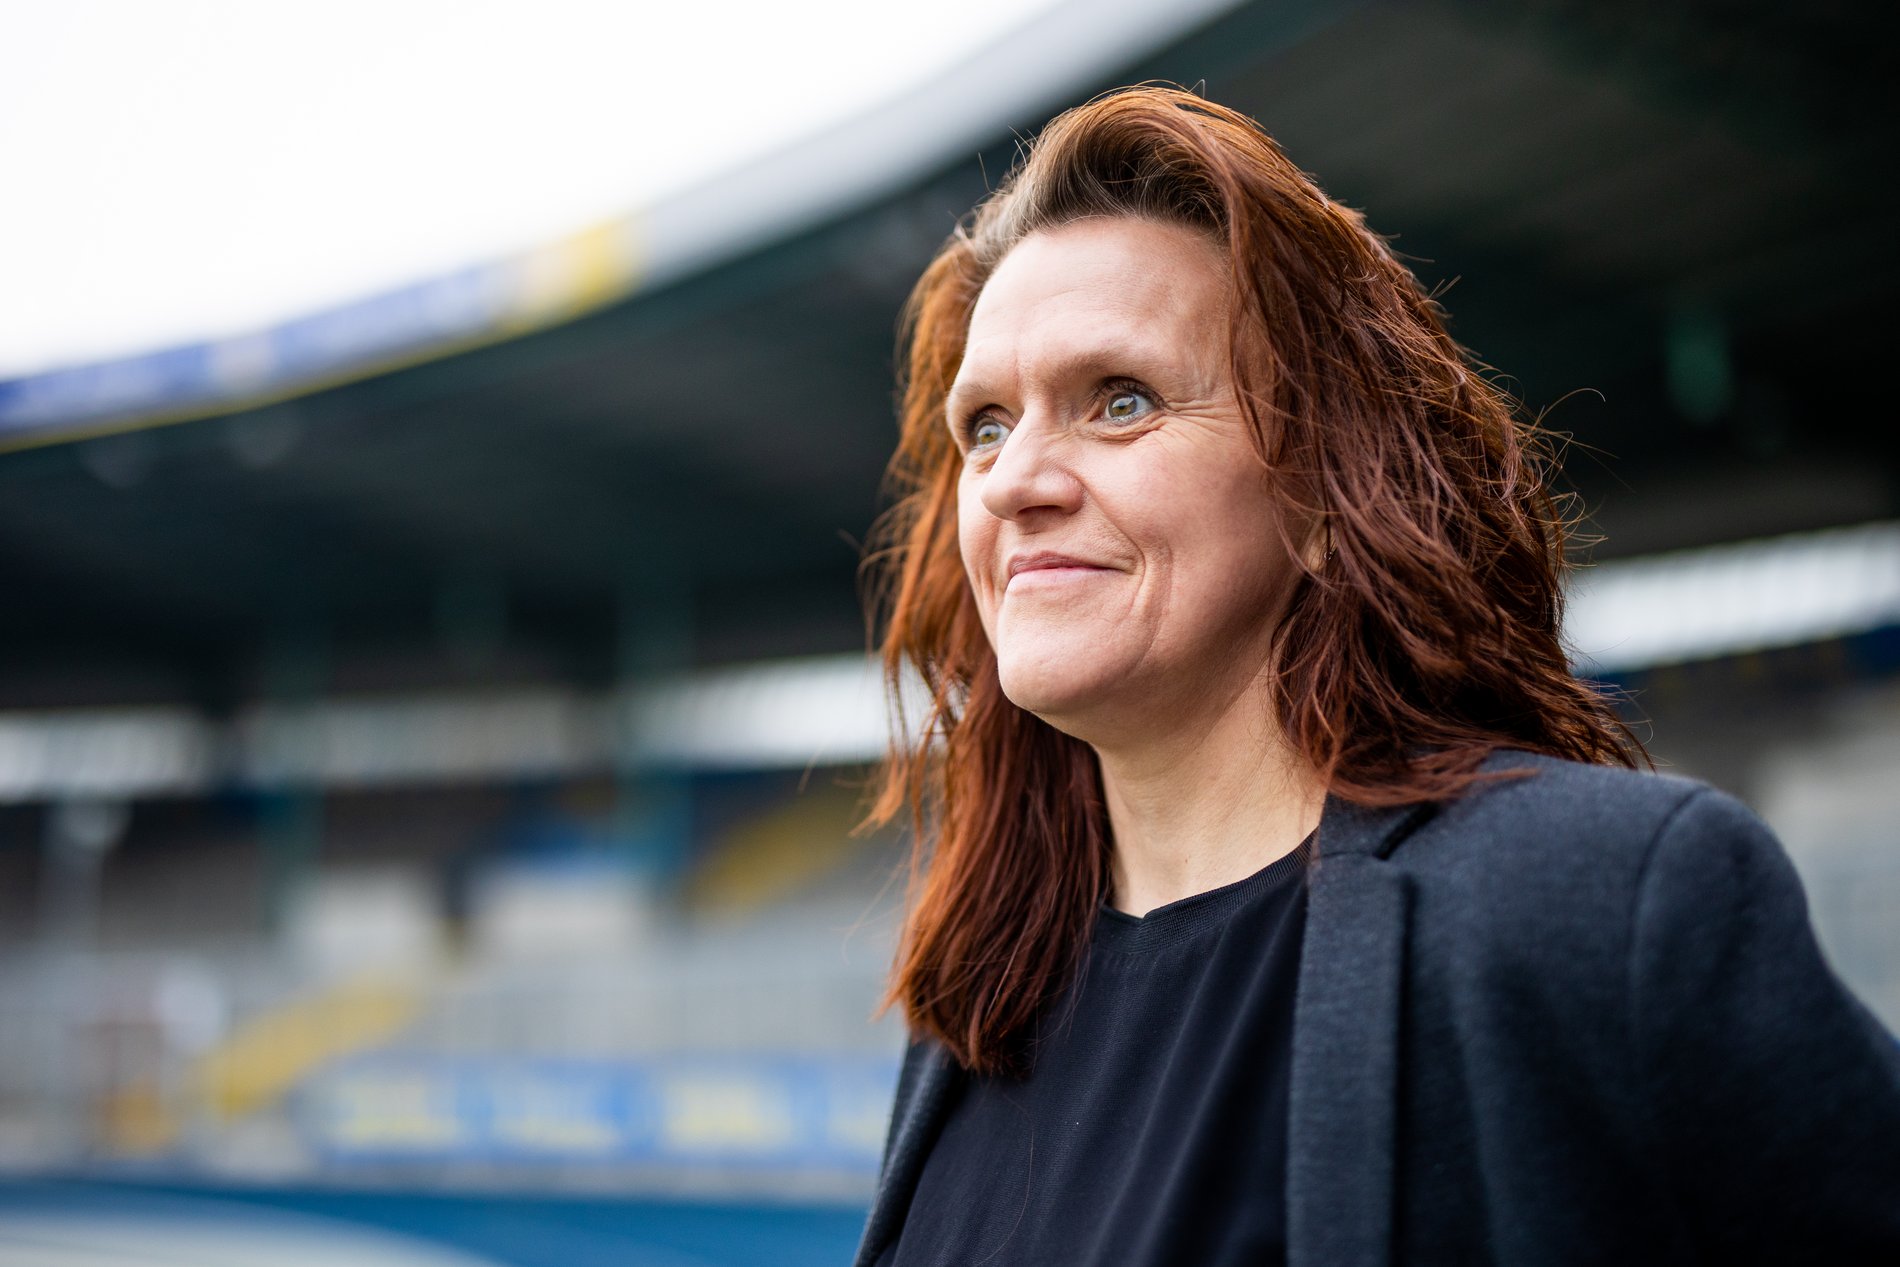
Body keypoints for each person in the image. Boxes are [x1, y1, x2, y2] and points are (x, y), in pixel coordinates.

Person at [850, 86, 1900, 1266]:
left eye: (1122, 400)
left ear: (1319, 497)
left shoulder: (1600, 901)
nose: (1010, 480)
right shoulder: (981, 1009)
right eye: (985, 424)